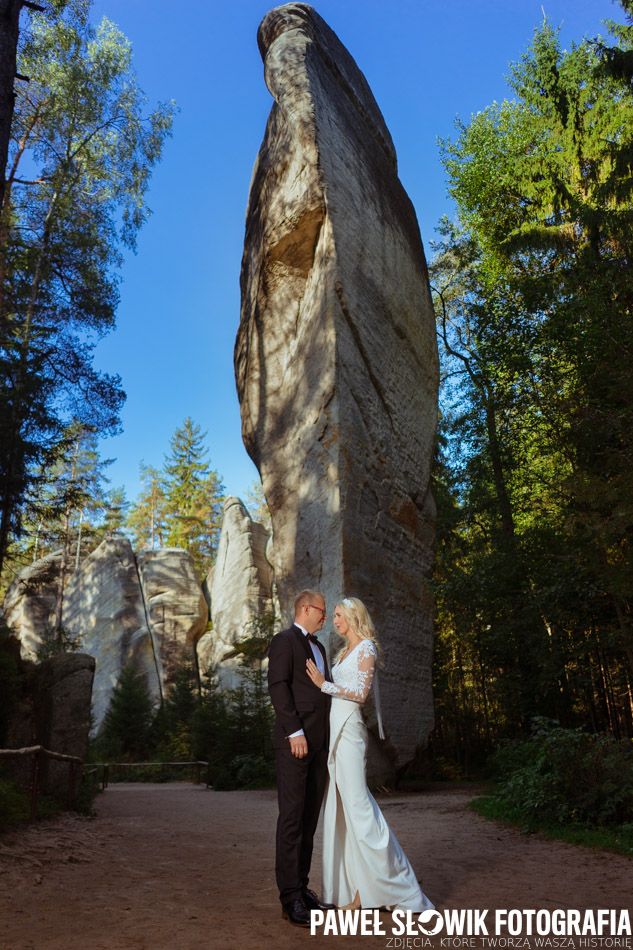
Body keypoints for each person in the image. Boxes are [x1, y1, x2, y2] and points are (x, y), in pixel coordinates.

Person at [306, 596, 434, 912]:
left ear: (353, 616)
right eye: (332, 615)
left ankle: (399, 884)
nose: (334, 621)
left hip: (350, 731)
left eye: (338, 615)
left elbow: (360, 695)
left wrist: (324, 685)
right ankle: (359, 892)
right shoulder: (342, 652)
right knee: (344, 813)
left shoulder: (366, 648)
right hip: (335, 731)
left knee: (359, 808)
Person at [267, 588, 336, 927]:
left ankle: (303, 888)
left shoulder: (320, 647)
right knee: (292, 819)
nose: (326, 617)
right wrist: (294, 732)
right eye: (323, 611)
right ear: (307, 608)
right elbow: (278, 686)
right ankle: (289, 897)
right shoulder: (284, 640)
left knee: (309, 820)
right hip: (294, 742)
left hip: (320, 743)